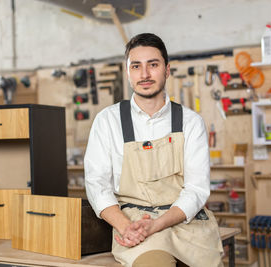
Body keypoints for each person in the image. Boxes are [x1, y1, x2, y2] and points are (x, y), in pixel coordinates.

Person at [84, 33, 223, 267]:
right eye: (136, 66)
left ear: (167, 70)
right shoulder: (107, 121)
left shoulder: (190, 122)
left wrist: (157, 224)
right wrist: (127, 227)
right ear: (128, 72)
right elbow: (97, 184)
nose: (145, 74)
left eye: (153, 65)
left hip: (184, 223)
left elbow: (197, 189)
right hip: (133, 223)